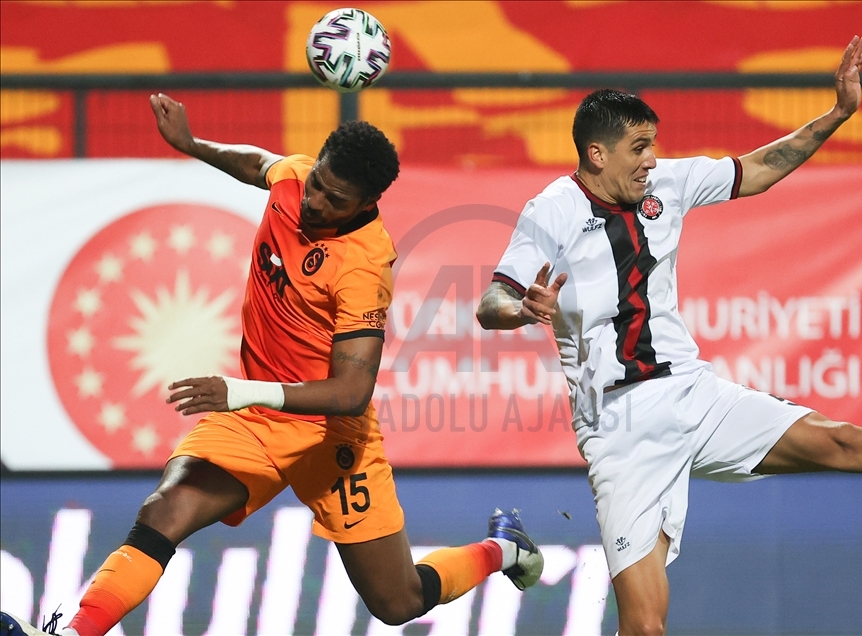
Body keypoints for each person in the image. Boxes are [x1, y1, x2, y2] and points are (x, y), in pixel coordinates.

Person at [1, 93, 543, 636]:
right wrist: (191, 144)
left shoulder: (363, 267)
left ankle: (504, 548)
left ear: (366, 203)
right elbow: (259, 163)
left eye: (334, 199)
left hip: (329, 435)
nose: (315, 202)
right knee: (166, 509)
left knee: (397, 601)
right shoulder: (298, 179)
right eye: (317, 184)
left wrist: (241, 392)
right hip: (255, 422)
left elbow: (351, 392)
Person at [476, 36, 862, 636]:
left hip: (694, 394)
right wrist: (522, 309)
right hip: (620, 429)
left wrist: (838, 114)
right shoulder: (551, 210)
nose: (652, 160)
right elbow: (490, 303)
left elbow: (759, 170)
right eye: (638, 148)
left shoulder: (668, 183)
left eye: (653, 145)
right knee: (645, 626)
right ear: (596, 154)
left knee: (847, 442)